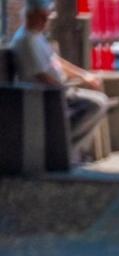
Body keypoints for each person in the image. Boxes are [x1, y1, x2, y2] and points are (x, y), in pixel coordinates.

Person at [8, 0, 111, 162]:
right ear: (30, 16)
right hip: (46, 95)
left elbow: (56, 61)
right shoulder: (25, 40)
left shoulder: (35, 36)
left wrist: (84, 75)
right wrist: (62, 89)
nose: (46, 21)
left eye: (47, 17)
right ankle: (65, 148)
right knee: (96, 104)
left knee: (99, 101)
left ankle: (71, 149)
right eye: (43, 17)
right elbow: (41, 76)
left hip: (58, 91)